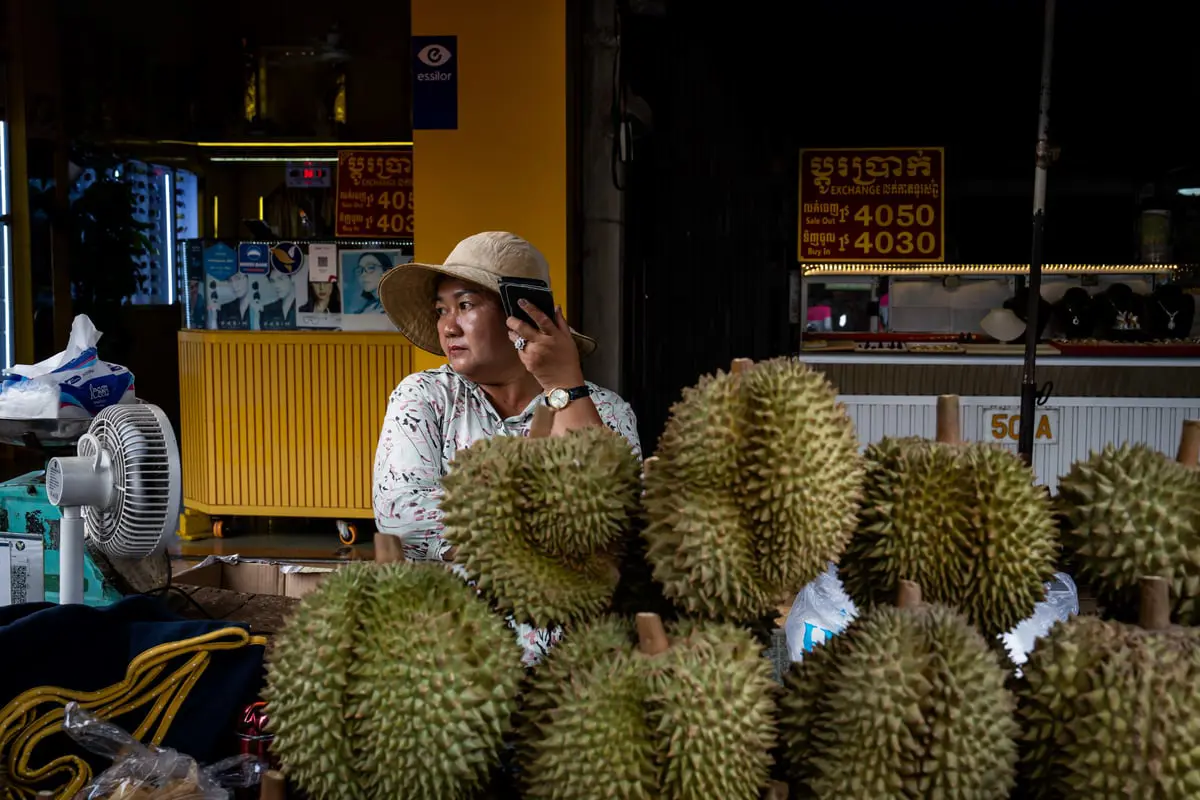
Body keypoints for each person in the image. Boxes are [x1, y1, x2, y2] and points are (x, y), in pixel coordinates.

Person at [373, 231, 640, 665]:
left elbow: (617, 525)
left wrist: (565, 387)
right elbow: (399, 513)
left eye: (465, 305)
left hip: (575, 667)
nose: (447, 325)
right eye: (441, 310)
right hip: (449, 656)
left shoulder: (604, 409)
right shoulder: (425, 397)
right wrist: (542, 532)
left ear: (522, 315)